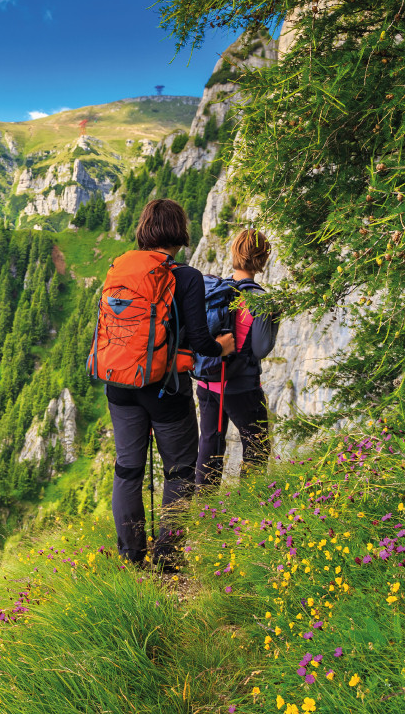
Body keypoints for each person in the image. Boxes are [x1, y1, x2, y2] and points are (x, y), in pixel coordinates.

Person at [102, 199, 234, 571]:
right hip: (166, 389)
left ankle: (131, 556)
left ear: (145, 229)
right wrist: (223, 345)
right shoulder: (186, 277)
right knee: (178, 469)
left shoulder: (121, 268)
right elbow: (201, 341)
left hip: (120, 384)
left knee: (128, 469)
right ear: (179, 232)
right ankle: (168, 558)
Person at [195, 230, 279, 486]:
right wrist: (274, 319)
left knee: (209, 447)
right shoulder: (261, 300)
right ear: (262, 259)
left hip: (207, 382)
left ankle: (202, 512)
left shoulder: (215, 290)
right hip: (241, 386)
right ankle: (247, 510)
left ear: (234, 254)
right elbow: (261, 349)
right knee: (257, 448)